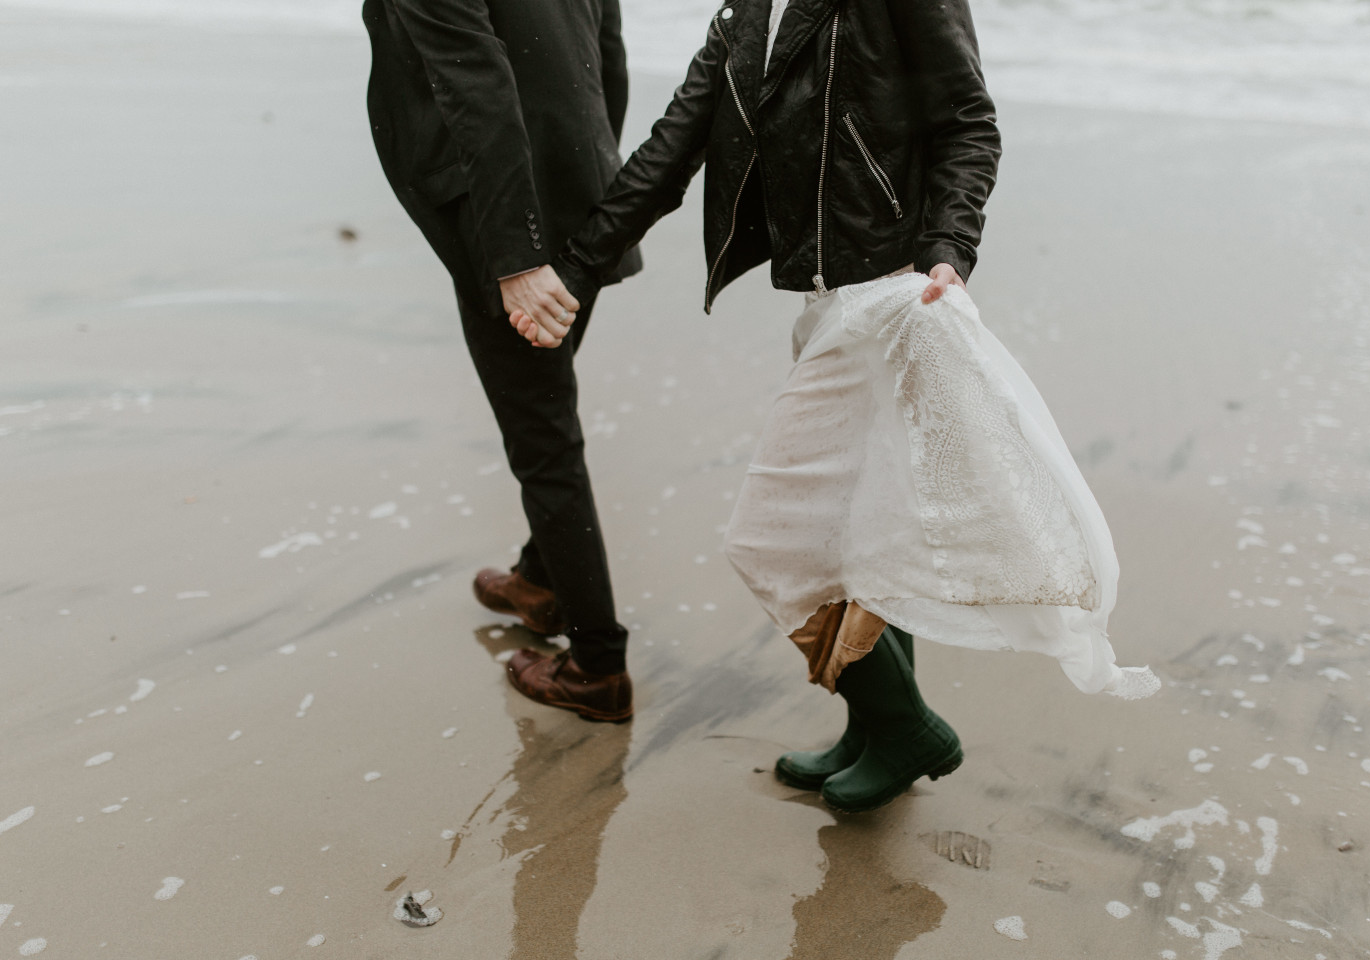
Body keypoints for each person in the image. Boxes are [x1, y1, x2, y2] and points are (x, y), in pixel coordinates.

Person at [517, 0, 1158, 810]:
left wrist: (950, 249)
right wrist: (575, 268)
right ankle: (872, 737)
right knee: (873, 529)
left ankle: (902, 726)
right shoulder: (746, 12)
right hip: (828, 305)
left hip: (898, 303)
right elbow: (669, 151)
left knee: (774, 544)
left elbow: (967, 119)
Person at [363, 0, 641, 723]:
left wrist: (515, 257)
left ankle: (597, 666)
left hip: (505, 214)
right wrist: (594, 193)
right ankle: (539, 581)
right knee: (549, 407)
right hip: (585, 188)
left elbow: (476, 85)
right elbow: (605, 55)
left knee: (543, 438)